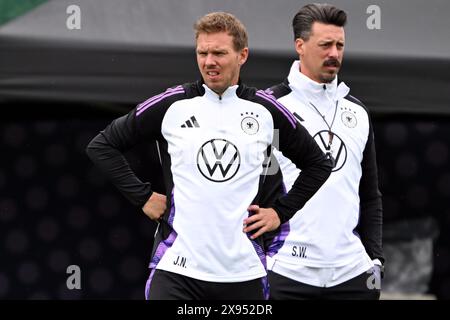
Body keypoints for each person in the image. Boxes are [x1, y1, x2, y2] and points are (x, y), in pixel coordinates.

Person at [86, 12, 332, 300]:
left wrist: (280, 212)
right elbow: (102, 145)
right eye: (202, 53)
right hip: (177, 270)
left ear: (242, 55)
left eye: (219, 53)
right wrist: (142, 196)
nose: (209, 61)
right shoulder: (173, 104)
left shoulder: (266, 110)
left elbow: (318, 164)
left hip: (244, 273)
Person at [264, 3, 384, 299]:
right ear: (300, 46)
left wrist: (375, 260)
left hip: (353, 275)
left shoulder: (357, 111)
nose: (334, 53)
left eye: (340, 45)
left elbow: (369, 194)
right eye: (325, 44)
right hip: (286, 272)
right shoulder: (269, 108)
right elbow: (249, 190)